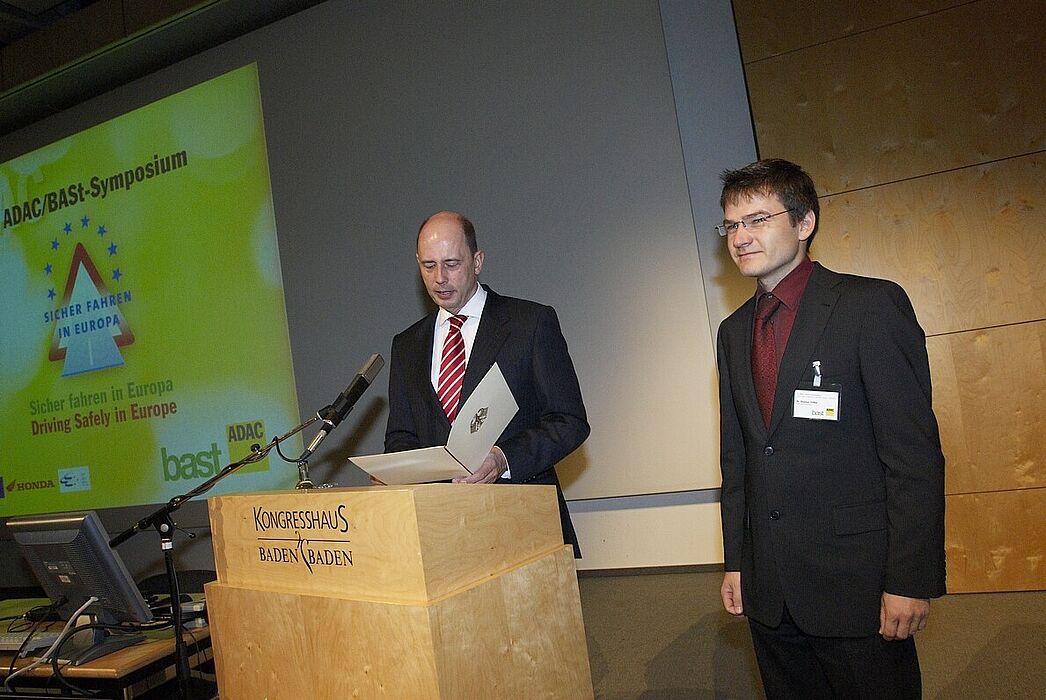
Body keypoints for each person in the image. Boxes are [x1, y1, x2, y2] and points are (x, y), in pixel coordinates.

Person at [714, 159, 946, 698]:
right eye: (732, 225)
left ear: (804, 223)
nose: (742, 237)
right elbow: (740, 458)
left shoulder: (869, 305)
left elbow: (913, 457)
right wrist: (737, 563)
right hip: (770, 587)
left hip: (857, 584)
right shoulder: (731, 333)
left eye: (758, 220)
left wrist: (910, 580)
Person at [384, 210, 590, 556]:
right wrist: (396, 471)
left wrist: (502, 459)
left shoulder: (531, 323)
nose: (439, 278)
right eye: (428, 266)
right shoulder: (406, 345)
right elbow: (401, 438)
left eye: (452, 263)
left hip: (524, 528)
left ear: (477, 261)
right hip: (442, 536)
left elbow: (568, 422)